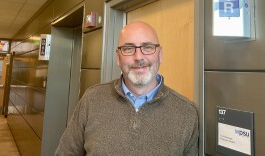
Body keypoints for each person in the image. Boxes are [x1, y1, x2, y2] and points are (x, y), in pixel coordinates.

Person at [55, 21, 199, 155]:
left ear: (160, 55)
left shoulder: (187, 113)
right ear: (118, 57)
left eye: (147, 47)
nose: (138, 57)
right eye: (128, 48)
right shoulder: (91, 99)